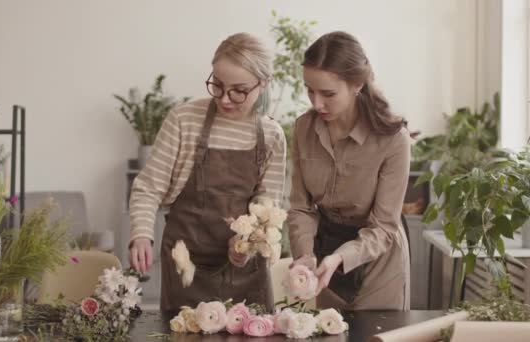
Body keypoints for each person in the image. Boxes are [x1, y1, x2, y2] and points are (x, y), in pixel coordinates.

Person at [128, 32, 286, 311]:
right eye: (218, 85)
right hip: (185, 264)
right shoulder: (184, 119)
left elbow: (267, 205)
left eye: (238, 90)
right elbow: (148, 187)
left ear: (263, 84)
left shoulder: (271, 135)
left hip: (244, 271)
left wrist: (247, 244)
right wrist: (141, 234)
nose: (224, 99)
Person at [287, 31, 411, 310]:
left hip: (379, 264)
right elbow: (301, 207)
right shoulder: (303, 129)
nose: (316, 103)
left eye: (328, 93)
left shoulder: (393, 139)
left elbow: (382, 227)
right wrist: (306, 256)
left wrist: (339, 258)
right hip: (324, 257)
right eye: (309, 90)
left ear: (357, 84)